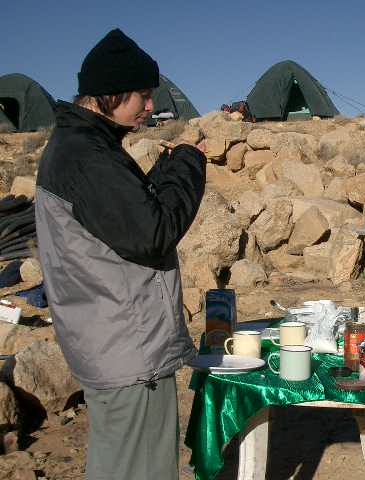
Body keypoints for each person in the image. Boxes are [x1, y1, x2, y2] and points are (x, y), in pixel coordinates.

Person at [35, 29, 207, 479]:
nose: (150, 107)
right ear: (112, 94)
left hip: (113, 342)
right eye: (143, 96)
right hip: (129, 349)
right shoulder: (85, 157)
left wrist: (166, 170)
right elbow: (153, 233)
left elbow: (126, 216)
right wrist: (188, 165)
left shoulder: (84, 148)